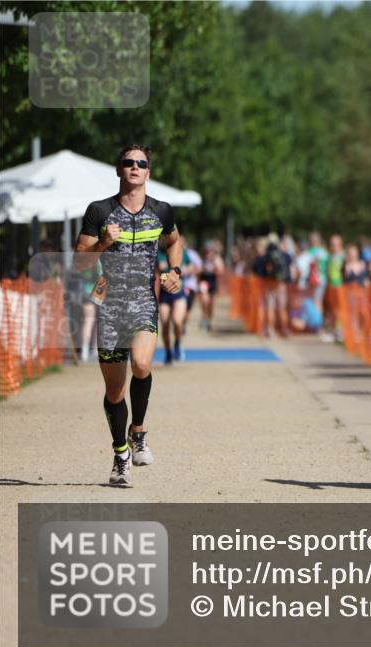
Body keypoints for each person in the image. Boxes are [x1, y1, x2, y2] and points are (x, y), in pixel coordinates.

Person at [73, 144, 183, 487]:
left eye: (141, 163)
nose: (134, 167)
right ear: (118, 170)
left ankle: (138, 431)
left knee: (141, 364)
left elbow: (175, 240)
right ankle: (121, 454)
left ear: (149, 172)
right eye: (128, 163)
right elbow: (80, 263)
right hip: (109, 304)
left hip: (143, 301)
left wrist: (175, 270)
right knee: (115, 390)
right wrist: (104, 242)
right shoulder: (99, 210)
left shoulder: (162, 211)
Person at [157, 245, 191, 364]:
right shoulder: (157, 252)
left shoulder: (180, 251)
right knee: (165, 324)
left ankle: (177, 342)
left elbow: (192, 267)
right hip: (164, 294)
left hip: (178, 293)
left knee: (177, 321)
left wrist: (183, 270)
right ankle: (168, 352)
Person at [197, 240, 224, 332]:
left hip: (212, 281)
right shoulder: (202, 258)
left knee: (211, 304)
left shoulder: (216, 258)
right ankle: (204, 317)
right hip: (204, 281)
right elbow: (197, 270)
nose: (208, 251)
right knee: (205, 301)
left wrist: (214, 269)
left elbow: (221, 271)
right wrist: (201, 270)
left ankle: (209, 320)